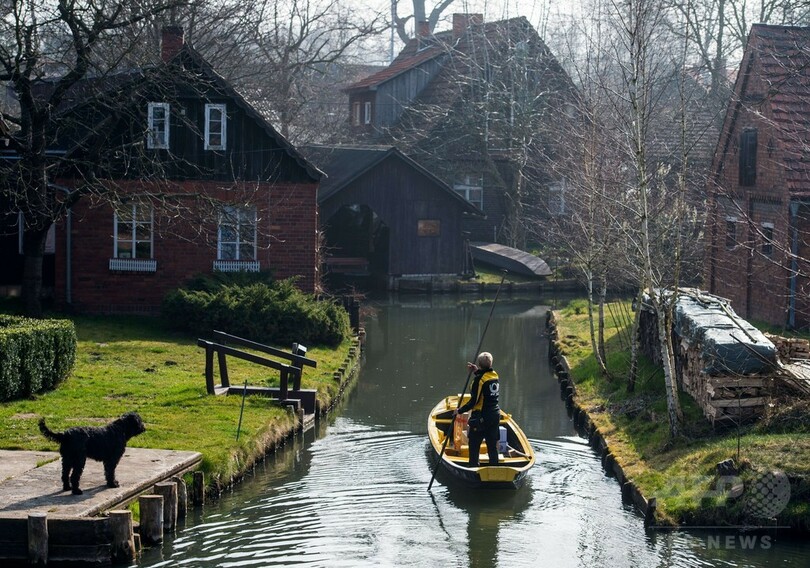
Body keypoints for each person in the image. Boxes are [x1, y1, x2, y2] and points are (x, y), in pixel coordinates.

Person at [454, 351, 500, 467]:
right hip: (495, 415)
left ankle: (474, 468)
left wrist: (459, 411)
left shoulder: (478, 381)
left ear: (479, 364)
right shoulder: (494, 375)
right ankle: (494, 468)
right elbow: (484, 380)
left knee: (474, 445)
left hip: (481, 416)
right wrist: (477, 372)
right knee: (492, 445)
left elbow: (473, 401)